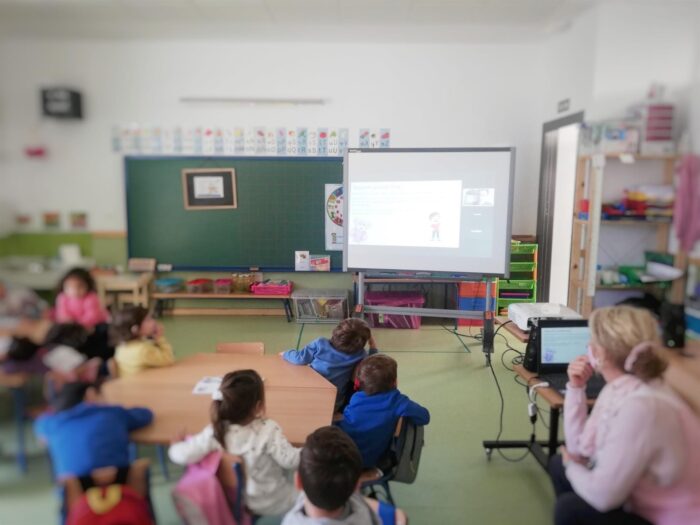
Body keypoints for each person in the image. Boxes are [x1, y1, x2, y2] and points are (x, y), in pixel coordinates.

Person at [550, 305, 700, 525]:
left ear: (601, 353)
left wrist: (573, 467)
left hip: (670, 518)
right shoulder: (619, 387)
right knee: (558, 464)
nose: (588, 345)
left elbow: (603, 497)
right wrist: (576, 387)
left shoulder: (643, 407)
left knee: (569, 509)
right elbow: (579, 450)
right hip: (638, 498)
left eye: (592, 340)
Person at [169, 370, 300, 516]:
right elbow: (291, 461)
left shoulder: (216, 431)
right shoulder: (268, 429)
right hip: (275, 501)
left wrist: (176, 446)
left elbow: (180, 455)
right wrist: (309, 448)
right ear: (258, 406)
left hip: (238, 502)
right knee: (312, 495)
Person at [282, 426, 407, 525]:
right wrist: (394, 515)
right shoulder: (355, 503)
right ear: (357, 487)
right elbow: (397, 516)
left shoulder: (291, 521)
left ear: (297, 481)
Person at [35, 382, 153, 478]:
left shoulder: (51, 424)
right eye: (101, 394)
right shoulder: (113, 413)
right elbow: (146, 415)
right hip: (120, 489)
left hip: (75, 498)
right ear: (90, 394)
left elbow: (41, 426)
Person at [338, 354, 430, 469]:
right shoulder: (398, 402)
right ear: (395, 382)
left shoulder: (356, 397)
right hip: (366, 459)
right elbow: (425, 416)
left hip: (344, 454)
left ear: (360, 382)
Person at [281, 318, 377, 408]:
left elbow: (299, 359)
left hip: (309, 397)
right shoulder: (360, 354)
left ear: (335, 331)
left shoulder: (320, 343)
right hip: (335, 402)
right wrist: (373, 346)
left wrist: (285, 353)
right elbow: (372, 363)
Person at [111, 305, 173, 377]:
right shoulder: (143, 350)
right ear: (135, 329)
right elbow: (168, 359)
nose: (153, 322)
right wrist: (160, 337)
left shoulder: (121, 347)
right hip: (145, 386)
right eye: (148, 320)